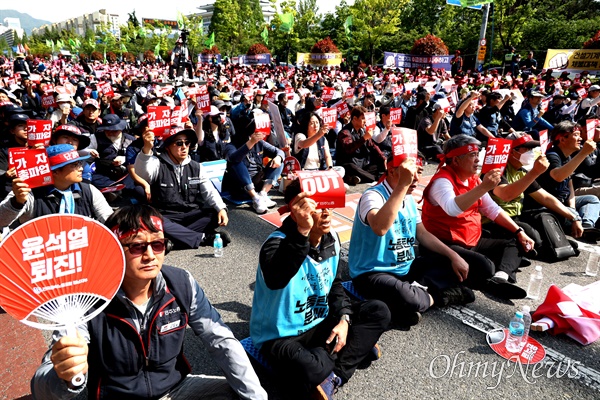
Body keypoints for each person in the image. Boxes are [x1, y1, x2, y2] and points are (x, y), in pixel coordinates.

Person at [31, 205, 268, 400]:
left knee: (240, 393)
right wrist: (62, 376)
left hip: (176, 391)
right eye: (136, 246)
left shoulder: (181, 282)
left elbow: (220, 339)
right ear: (112, 250)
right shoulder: (83, 301)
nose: (150, 255)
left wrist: (256, 397)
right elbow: (41, 389)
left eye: (157, 244)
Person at [250, 180, 390, 400]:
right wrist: (303, 231)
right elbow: (277, 278)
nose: (326, 213)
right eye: (317, 207)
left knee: (379, 311)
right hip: (280, 336)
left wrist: (344, 320)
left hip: (319, 322)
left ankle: (335, 375)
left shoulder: (331, 238)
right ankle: (353, 349)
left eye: (329, 205)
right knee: (312, 368)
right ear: (297, 211)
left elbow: (334, 285)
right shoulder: (275, 243)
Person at [348, 152, 475, 327]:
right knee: (409, 298)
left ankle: (405, 304)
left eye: (419, 172)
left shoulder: (408, 198)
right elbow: (380, 227)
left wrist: (453, 256)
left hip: (405, 268)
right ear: (391, 171)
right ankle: (437, 296)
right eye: (409, 173)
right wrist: (402, 185)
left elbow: (422, 234)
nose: (415, 178)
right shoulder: (373, 196)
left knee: (462, 263)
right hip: (372, 272)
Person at [422, 135, 535, 299]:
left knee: (515, 241)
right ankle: (489, 276)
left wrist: (519, 231)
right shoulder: (442, 181)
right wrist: (483, 188)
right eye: (472, 155)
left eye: (477, 154)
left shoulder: (473, 180)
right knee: (485, 266)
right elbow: (452, 208)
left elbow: (492, 210)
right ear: (455, 160)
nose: (477, 160)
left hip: (471, 239)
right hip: (445, 243)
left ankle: (500, 277)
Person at [134, 125, 231, 249]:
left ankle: (172, 240)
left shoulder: (197, 167)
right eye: (179, 143)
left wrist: (221, 208)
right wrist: (147, 148)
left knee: (214, 213)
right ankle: (203, 238)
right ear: (168, 146)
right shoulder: (156, 163)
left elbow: (210, 191)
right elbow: (141, 172)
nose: (184, 147)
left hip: (191, 215)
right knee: (148, 219)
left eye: (187, 143)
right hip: (166, 216)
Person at [485, 133, 585, 246]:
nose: (531, 152)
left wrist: (574, 217)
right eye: (527, 149)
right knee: (536, 240)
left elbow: (545, 198)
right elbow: (506, 195)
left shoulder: (522, 172)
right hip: (495, 221)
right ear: (512, 151)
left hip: (516, 218)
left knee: (558, 240)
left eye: (532, 149)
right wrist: (535, 172)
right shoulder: (497, 171)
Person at [0, 144, 113, 229]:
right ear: (54, 171)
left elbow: (110, 221)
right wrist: (17, 202)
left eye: (80, 163)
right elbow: (2, 220)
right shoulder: (27, 192)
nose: (81, 168)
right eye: (74, 165)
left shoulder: (89, 190)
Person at [529, 121, 600, 238]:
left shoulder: (568, 157)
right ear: (562, 139)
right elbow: (558, 176)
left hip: (565, 202)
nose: (580, 138)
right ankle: (580, 226)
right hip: (551, 205)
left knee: (591, 199)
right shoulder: (552, 155)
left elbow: (570, 186)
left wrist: (572, 210)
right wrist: (583, 153)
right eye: (576, 135)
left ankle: (586, 226)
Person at [226, 113, 285, 214]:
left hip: (257, 182)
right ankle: (256, 199)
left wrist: (278, 158)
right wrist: (251, 142)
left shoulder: (260, 143)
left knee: (279, 162)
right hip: (240, 187)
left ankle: (262, 194)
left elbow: (279, 152)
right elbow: (233, 159)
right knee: (236, 163)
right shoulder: (231, 145)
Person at [335, 105, 385, 185]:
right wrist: (364, 138)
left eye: (366, 118)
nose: (365, 121)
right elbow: (349, 148)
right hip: (349, 163)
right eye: (363, 118)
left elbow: (372, 146)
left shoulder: (362, 131)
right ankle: (375, 178)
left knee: (379, 162)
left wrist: (383, 158)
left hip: (362, 164)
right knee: (350, 167)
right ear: (354, 119)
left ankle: (358, 178)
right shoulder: (345, 133)